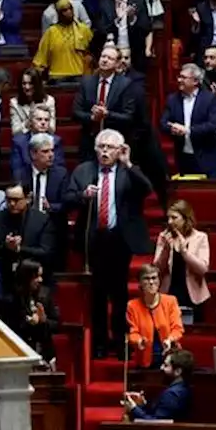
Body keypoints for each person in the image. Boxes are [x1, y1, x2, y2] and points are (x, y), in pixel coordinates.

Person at [65, 129, 152, 359]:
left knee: (119, 294)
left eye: (110, 147)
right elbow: (67, 198)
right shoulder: (84, 171)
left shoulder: (127, 171)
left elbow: (146, 189)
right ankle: (100, 343)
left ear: (119, 150)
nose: (104, 151)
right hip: (93, 239)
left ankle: (121, 341)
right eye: (101, 147)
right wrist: (83, 195)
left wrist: (129, 163)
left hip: (119, 239)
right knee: (98, 294)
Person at [152, 200, 210, 319]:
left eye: (174, 218)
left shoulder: (200, 237)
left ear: (185, 218)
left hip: (194, 296)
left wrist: (185, 253)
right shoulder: (164, 237)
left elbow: (203, 269)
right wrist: (166, 251)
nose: (170, 222)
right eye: (168, 218)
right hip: (169, 293)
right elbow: (157, 270)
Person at [125, 264, 184, 369]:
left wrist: (170, 339)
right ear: (140, 283)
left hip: (170, 358)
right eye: (146, 279)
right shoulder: (132, 306)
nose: (151, 282)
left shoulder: (170, 301)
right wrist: (139, 340)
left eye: (154, 278)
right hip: (144, 358)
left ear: (159, 281)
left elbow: (178, 329)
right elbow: (132, 333)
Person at [5, 259, 58, 368]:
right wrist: (28, 321)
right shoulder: (12, 299)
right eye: (36, 277)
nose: (40, 280)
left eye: (41, 276)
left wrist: (44, 321)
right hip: (20, 351)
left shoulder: (45, 294)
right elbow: (10, 327)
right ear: (26, 277)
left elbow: (56, 324)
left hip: (44, 351)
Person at [123, 349, 194, 421]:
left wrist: (133, 408)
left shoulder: (172, 394)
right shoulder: (181, 387)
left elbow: (157, 424)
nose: (161, 368)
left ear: (178, 371)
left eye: (166, 365)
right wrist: (143, 404)